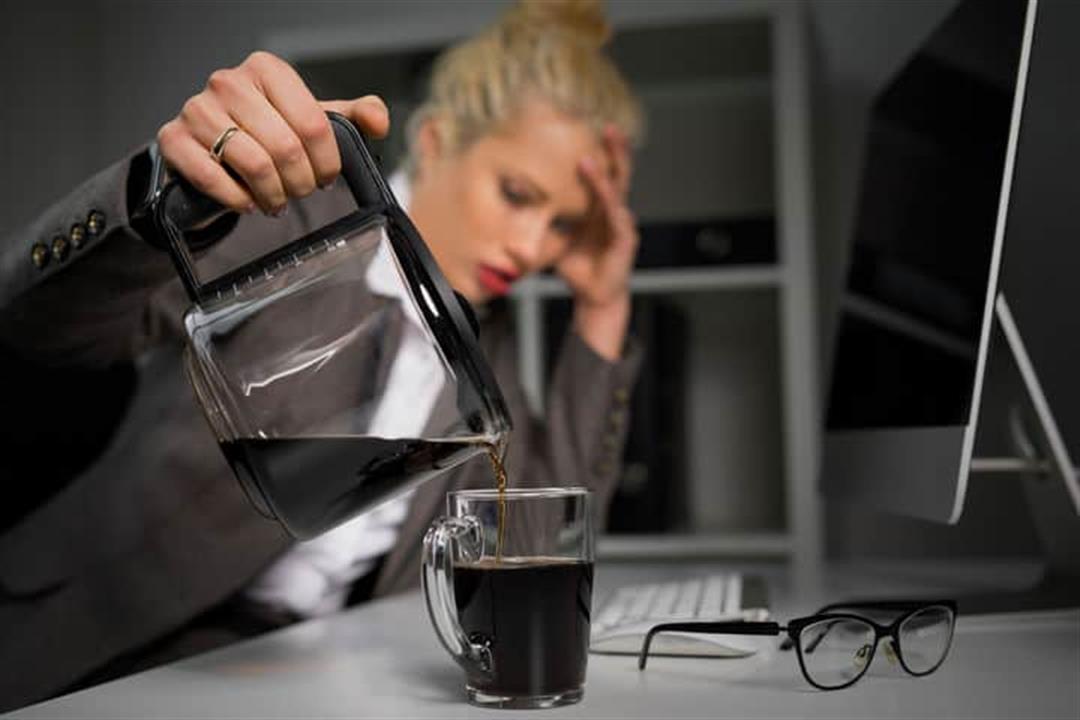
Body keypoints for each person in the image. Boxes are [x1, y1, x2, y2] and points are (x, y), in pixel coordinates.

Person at [0, 0, 643, 710]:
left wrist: (603, 307)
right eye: (517, 194)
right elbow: (47, 330)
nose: (531, 247)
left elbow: (537, 544)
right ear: (435, 141)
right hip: (98, 637)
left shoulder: (489, 358)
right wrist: (162, 195)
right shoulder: (287, 216)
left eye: (563, 225)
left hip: (315, 670)